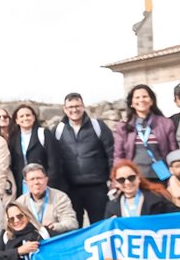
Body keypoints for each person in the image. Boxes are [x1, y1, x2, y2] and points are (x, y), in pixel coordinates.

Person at [55, 93, 115, 227]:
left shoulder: (97, 125)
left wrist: (113, 177)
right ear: (65, 109)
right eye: (70, 107)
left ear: (83, 106)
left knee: (100, 225)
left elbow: (111, 153)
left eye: (77, 106)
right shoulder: (58, 129)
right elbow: (55, 158)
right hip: (70, 188)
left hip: (97, 185)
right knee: (74, 227)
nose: (74, 110)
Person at [113, 84, 177, 184]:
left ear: (151, 101)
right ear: (131, 103)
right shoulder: (123, 126)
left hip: (161, 173)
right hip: (134, 176)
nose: (141, 100)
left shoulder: (165, 123)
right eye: (137, 97)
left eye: (145, 96)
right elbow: (119, 155)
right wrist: (118, 178)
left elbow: (173, 151)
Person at [9, 104, 60, 196]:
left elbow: (54, 161)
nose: (25, 118)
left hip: (41, 184)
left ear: (33, 117)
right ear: (16, 120)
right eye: (21, 116)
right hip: (23, 185)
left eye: (28, 115)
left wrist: (48, 184)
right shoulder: (13, 139)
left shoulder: (44, 134)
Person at [16, 163, 78, 236]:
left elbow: (72, 222)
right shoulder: (20, 203)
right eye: (32, 179)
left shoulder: (60, 197)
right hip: (31, 241)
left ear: (46, 180)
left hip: (55, 238)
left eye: (39, 178)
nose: (36, 182)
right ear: (25, 183)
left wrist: (56, 226)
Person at [105, 159, 178, 218]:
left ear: (138, 178)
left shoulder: (157, 199)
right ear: (116, 183)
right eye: (121, 180)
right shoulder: (111, 207)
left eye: (131, 178)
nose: (127, 182)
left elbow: (179, 217)